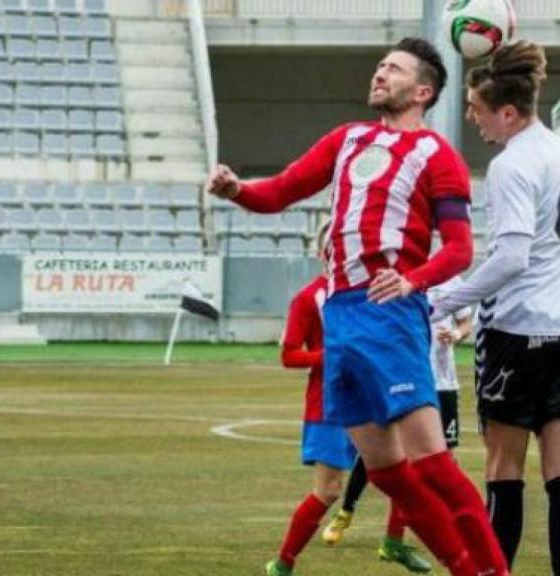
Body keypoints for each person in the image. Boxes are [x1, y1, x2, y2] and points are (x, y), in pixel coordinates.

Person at [206, 37, 508, 576]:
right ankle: (466, 569)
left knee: (433, 466)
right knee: (388, 473)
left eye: (393, 69)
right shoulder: (347, 139)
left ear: (422, 92)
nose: (379, 74)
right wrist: (236, 191)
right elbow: (280, 191)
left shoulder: (437, 154)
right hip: (340, 319)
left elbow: (460, 249)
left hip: (389, 315)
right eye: (379, 66)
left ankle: (494, 571)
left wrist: (412, 281)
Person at [430, 41, 560, 576]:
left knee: (504, 466)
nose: (471, 117)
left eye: (476, 108)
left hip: (518, 330)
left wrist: (443, 302)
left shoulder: (510, 164)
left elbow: (512, 257)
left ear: (507, 112)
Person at [265, 224, 431, 576]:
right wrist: (333, 355)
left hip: (374, 400)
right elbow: (289, 355)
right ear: (322, 252)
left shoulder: (372, 291)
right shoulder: (308, 299)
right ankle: (283, 563)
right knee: (328, 491)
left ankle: (393, 542)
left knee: (406, 473)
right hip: (328, 407)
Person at [322, 274, 473, 545]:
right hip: (403, 377)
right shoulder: (400, 275)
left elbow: (466, 323)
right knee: (383, 452)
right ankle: (347, 510)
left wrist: (456, 334)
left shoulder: (452, 280)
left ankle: (396, 538)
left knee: (444, 459)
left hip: (443, 382)